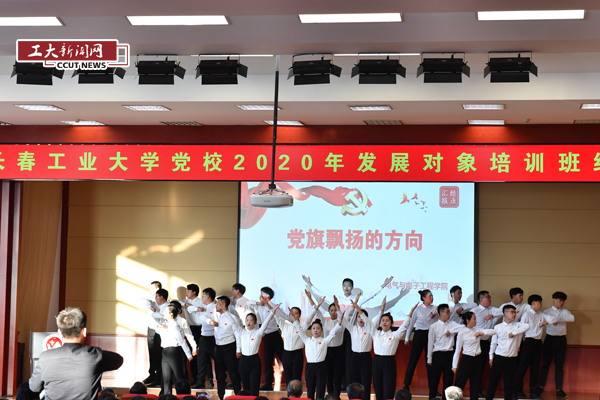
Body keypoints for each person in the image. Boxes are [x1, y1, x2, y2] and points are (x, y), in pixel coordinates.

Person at [303, 275, 400, 387]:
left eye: (349, 286)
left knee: (349, 359)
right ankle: (341, 383)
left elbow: (371, 295)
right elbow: (321, 295)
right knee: (339, 359)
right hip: (338, 330)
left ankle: (348, 383)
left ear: (352, 287)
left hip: (351, 331)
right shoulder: (337, 299)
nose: (346, 287)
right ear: (342, 287)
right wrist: (310, 284)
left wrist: (383, 285)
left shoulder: (357, 299)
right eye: (344, 285)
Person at [17, 307, 123, 400]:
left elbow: (33, 388)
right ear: (84, 331)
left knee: (23, 387)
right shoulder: (94, 355)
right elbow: (118, 360)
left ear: (59, 332)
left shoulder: (45, 357)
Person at [363, 297, 416, 400]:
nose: (384, 322)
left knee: (389, 387)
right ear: (380, 323)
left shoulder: (395, 335)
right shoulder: (376, 333)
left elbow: (404, 326)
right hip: (377, 361)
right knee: (378, 387)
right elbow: (368, 323)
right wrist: (359, 309)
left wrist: (411, 312)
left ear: (391, 323)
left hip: (389, 362)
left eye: (387, 321)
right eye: (383, 320)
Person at [268, 290, 320, 384]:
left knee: (296, 379)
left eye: (296, 313)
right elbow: (276, 316)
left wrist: (310, 299)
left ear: (299, 315)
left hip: (297, 354)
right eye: (291, 312)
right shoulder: (285, 325)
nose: (293, 314)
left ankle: (297, 393)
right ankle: (289, 393)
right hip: (286, 354)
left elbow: (312, 314)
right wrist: (270, 306)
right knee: (288, 378)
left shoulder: (303, 326)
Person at [293, 309, 344, 400]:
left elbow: (333, 333)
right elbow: (300, 330)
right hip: (310, 367)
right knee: (310, 389)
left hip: (321, 367)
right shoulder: (307, 340)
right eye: (313, 328)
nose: (315, 330)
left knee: (321, 389)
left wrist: (339, 323)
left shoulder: (325, 341)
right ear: (311, 330)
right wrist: (294, 319)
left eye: (318, 328)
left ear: (321, 330)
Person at [513, 295, 557, 400]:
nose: (541, 304)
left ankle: (533, 392)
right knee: (522, 367)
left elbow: (555, 319)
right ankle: (514, 390)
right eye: (539, 302)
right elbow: (520, 331)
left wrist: (546, 322)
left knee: (535, 367)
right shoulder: (526, 315)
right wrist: (518, 345)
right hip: (528, 342)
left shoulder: (541, 314)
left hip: (538, 343)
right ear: (533, 303)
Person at [231, 302, 281, 395]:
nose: (248, 322)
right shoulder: (241, 332)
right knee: (245, 387)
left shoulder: (258, 332)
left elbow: (266, 322)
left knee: (254, 387)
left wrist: (273, 311)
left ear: (255, 322)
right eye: (247, 320)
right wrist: (225, 311)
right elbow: (233, 322)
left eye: (251, 320)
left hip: (254, 361)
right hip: (243, 361)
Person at [485, 305, 530, 400]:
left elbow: (527, 326)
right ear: (505, 313)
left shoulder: (517, 325)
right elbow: (493, 343)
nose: (514, 314)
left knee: (509, 384)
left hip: (512, 359)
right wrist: (491, 357)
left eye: (515, 312)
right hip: (499, 357)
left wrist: (514, 333)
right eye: (512, 312)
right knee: (493, 382)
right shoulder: (498, 327)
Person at [243, 286, 284, 391]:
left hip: (275, 335)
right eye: (260, 294)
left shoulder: (273, 306)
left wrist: (267, 304)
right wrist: (257, 303)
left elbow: (283, 316)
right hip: (266, 336)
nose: (260, 296)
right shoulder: (259, 306)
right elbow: (248, 303)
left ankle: (291, 381)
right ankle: (269, 384)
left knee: (284, 359)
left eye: (262, 294)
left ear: (268, 296)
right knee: (268, 361)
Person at [537, 291, 575, 399]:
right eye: (560, 300)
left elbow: (572, 318)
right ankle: (540, 387)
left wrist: (557, 319)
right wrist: (553, 320)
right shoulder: (547, 311)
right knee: (545, 364)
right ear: (554, 299)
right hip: (550, 339)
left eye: (563, 301)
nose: (562, 303)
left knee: (559, 366)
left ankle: (559, 389)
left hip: (561, 339)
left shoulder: (565, 311)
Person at [452, 312, 497, 400]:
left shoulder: (477, 330)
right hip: (466, 359)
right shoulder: (462, 332)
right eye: (474, 319)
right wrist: (454, 366)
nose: (476, 321)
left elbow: (493, 332)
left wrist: (481, 334)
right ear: (467, 320)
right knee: (459, 384)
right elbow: (457, 350)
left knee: (475, 384)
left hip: (477, 359)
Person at [207, 295, 243, 399]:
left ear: (223, 304)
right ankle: (220, 397)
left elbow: (237, 334)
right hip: (218, 348)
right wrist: (210, 321)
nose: (216, 305)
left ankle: (238, 396)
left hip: (229, 347)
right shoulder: (216, 317)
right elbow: (204, 316)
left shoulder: (232, 318)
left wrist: (238, 350)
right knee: (219, 376)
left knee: (233, 374)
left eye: (218, 304)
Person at [426, 304, 464, 400]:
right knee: (434, 380)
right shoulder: (433, 326)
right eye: (447, 312)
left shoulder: (452, 324)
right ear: (441, 313)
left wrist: (451, 331)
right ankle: (432, 398)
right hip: (437, 354)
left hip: (449, 354)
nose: (449, 314)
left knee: (448, 380)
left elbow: (463, 327)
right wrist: (429, 358)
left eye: (449, 312)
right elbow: (430, 343)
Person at [404, 289, 439, 392]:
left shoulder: (436, 308)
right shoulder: (418, 309)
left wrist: (436, 314)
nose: (432, 298)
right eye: (429, 296)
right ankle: (406, 385)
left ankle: (432, 388)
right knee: (413, 360)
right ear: (424, 298)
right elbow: (411, 323)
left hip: (431, 335)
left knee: (430, 362)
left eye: (432, 296)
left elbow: (447, 313)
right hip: (419, 335)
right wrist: (407, 338)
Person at [472, 290, 503, 397]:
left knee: (482, 367)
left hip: (486, 342)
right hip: (476, 342)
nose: (490, 299)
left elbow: (503, 311)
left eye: (490, 297)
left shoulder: (491, 309)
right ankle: (475, 390)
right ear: (481, 299)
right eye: (487, 297)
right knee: (476, 368)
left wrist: (492, 315)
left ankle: (479, 390)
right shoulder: (475, 310)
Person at [158, 303, 194, 396]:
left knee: (179, 376)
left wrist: (189, 355)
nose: (163, 313)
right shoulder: (165, 324)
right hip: (165, 351)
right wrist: (161, 327)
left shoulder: (175, 325)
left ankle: (184, 395)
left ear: (171, 314)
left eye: (166, 311)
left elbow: (182, 341)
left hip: (173, 351)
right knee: (166, 378)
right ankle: (166, 396)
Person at [342, 295, 373, 400]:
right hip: (354, 357)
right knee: (355, 382)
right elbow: (344, 320)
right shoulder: (353, 328)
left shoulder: (370, 329)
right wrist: (337, 308)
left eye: (362, 316)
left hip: (366, 357)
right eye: (358, 316)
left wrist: (358, 308)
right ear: (356, 318)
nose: (360, 319)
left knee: (366, 381)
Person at [314, 295, 345, 396]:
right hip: (326, 350)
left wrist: (338, 306)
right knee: (328, 375)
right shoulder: (325, 322)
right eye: (331, 310)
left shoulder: (342, 322)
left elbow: (346, 315)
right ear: (328, 312)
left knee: (337, 376)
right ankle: (330, 396)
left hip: (338, 351)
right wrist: (311, 299)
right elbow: (317, 311)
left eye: (335, 310)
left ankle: (337, 396)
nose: (333, 312)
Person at [177, 283, 204, 385]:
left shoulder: (201, 301)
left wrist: (191, 306)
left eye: (188, 291)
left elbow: (202, 309)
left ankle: (204, 378)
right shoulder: (185, 302)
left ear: (194, 292)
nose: (186, 293)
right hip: (191, 328)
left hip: (201, 328)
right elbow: (176, 302)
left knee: (202, 354)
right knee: (193, 353)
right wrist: (186, 305)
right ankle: (194, 377)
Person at [195, 287, 217, 389]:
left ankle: (221, 381)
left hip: (213, 337)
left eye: (203, 296)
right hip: (203, 337)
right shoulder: (203, 307)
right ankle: (200, 382)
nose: (202, 298)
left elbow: (213, 323)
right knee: (201, 360)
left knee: (218, 360)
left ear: (208, 296)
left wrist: (207, 320)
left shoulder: (215, 307)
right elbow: (191, 309)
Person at [144, 280, 163, 386]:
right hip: (151, 328)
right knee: (151, 352)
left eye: (152, 288)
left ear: (157, 289)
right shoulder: (150, 299)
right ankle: (151, 374)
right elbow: (144, 300)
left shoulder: (163, 300)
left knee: (158, 354)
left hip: (159, 330)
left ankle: (158, 377)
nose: (150, 290)